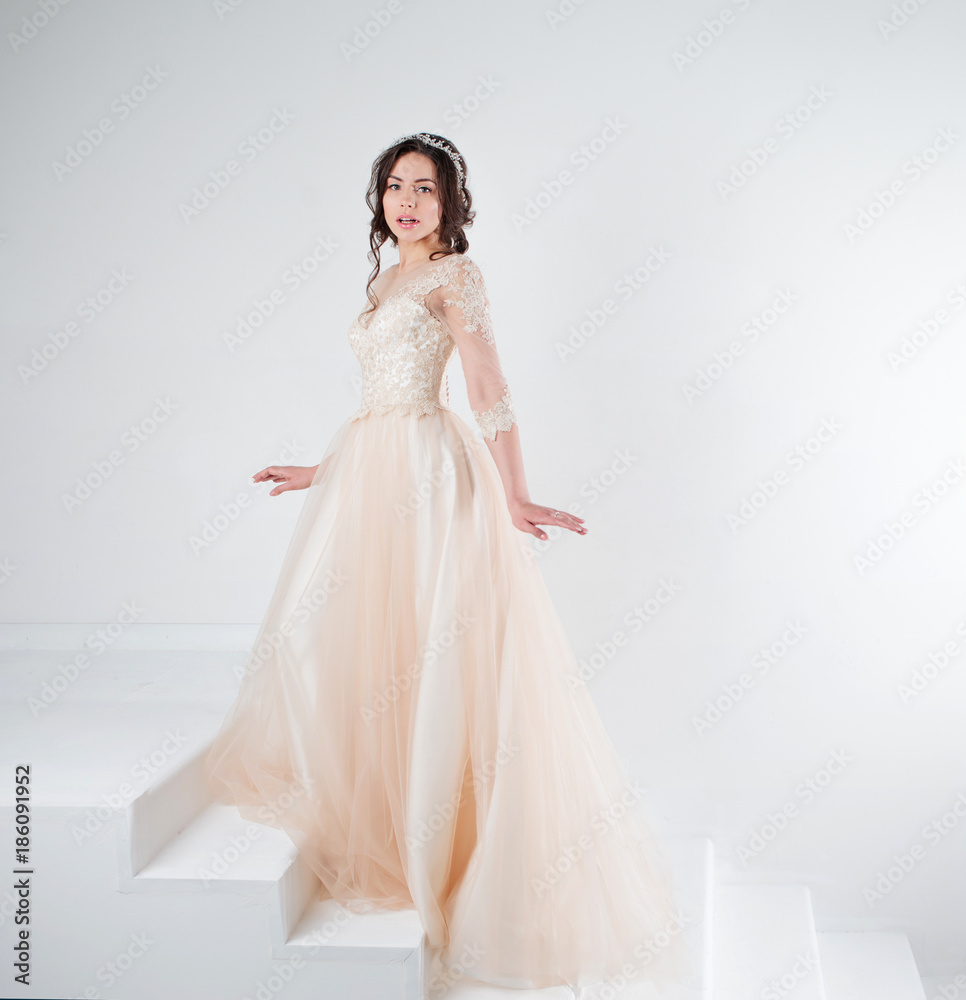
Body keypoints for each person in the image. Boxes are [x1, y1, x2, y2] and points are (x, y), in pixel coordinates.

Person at [203, 132, 691, 997]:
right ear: (379, 199)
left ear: (451, 204)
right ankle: (394, 819)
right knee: (365, 646)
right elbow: (382, 396)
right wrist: (321, 471)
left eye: (426, 189)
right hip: (371, 469)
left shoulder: (454, 275)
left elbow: (486, 382)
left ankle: (453, 845)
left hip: (428, 479)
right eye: (395, 187)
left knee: (434, 650)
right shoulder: (386, 277)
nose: (408, 202)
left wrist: (516, 494)